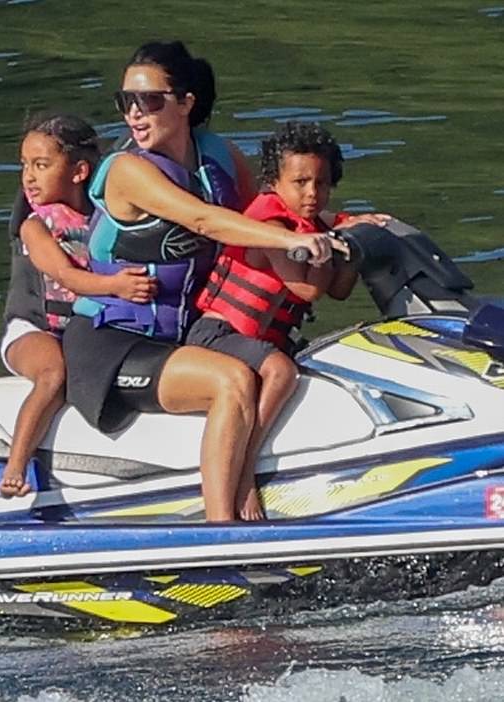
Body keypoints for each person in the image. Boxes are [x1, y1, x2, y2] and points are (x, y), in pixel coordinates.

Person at [63, 42, 344, 522]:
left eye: (149, 100)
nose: (134, 113)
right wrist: (296, 245)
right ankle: (222, 533)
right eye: (125, 101)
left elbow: (272, 212)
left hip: (184, 335)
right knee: (231, 380)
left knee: (279, 367)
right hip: (114, 344)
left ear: (186, 103)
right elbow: (205, 220)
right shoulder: (127, 171)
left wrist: (346, 227)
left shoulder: (215, 153)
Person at [187, 120, 389, 519]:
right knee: (281, 371)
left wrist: (356, 241)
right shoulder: (272, 226)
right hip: (217, 335)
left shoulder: (311, 224)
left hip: (254, 341)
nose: (312, 193)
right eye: (300, 183)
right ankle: (243, 474)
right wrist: (333, 244)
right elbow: (307, 289)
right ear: (274, 183)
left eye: (322, 183)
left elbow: (340, 290)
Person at [0, 112, 156, 497]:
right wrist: (115, 286)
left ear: (79, 171)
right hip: (33, 330)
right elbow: (64, 276)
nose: (29, 177)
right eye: (25, 166)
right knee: (53, 373)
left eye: (41, 165)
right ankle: (15, 466)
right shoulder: (33, 226)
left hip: (84, 330)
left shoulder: (105, 218)